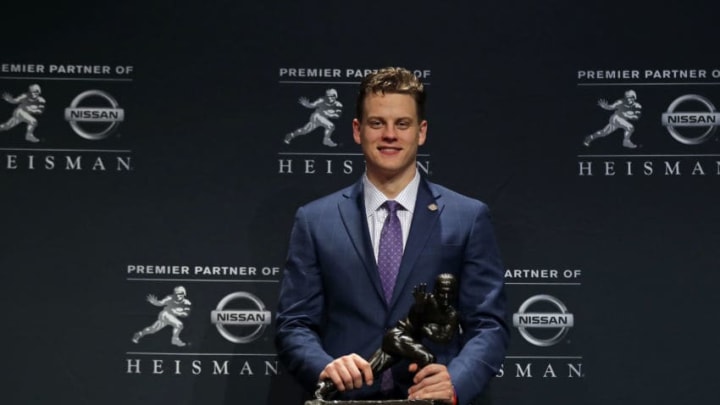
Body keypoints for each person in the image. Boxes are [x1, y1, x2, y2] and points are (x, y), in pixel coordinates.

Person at [275, 67, 508, 404]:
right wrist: (324, 366)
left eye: (402, 124)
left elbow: (490, 324)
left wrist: (456, 381)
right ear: (357, 130)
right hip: (346, 400)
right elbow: (293, 324)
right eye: (376, 123)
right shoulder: (315, 220)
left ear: (421, 131)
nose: (389, 135)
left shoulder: (467, 217)